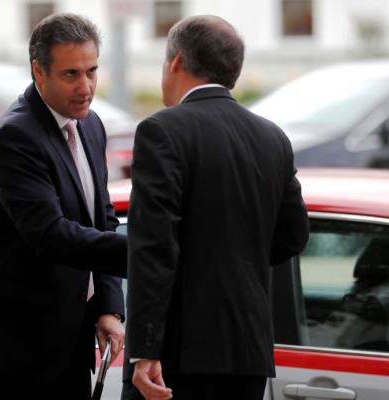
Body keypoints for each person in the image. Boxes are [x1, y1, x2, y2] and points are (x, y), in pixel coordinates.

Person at [123, 15, 310, 400]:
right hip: (249, 352)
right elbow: (293, 236)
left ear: (175, 62)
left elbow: (153, 248)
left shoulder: (162, 130)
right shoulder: (272, 137)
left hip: (181, 352)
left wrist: (144, 349)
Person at [0, 12, 127, 400]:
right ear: (39, 71)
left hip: (70, 337)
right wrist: (148, 250)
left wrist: (108, 308)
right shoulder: (16, 135)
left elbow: (102, 219)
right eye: (71, 74)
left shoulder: (91, 125)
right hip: (16, 346)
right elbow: (50, 235)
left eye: (92, 71)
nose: (86, 87)